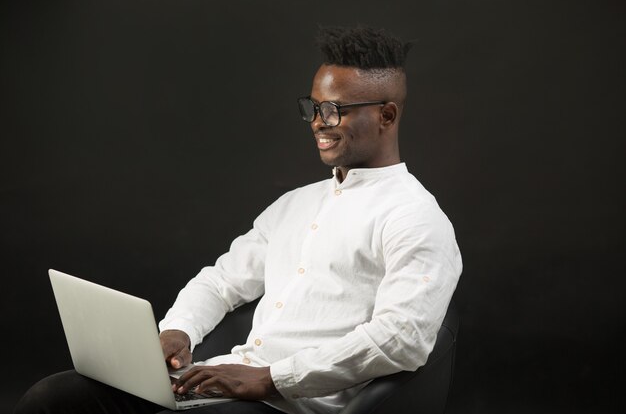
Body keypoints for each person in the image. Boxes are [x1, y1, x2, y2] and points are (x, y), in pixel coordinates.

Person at [15, 26, 462, 414]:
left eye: (335, 110)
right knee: (53, 398)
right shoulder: (295, 204)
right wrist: (177, 329)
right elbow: (222, 281)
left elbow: (400, 338)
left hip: (293, 405)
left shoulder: (415, 217)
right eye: (314, 107)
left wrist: (271, 379)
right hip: (228, 384)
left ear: (386, 115)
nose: (318, 123)